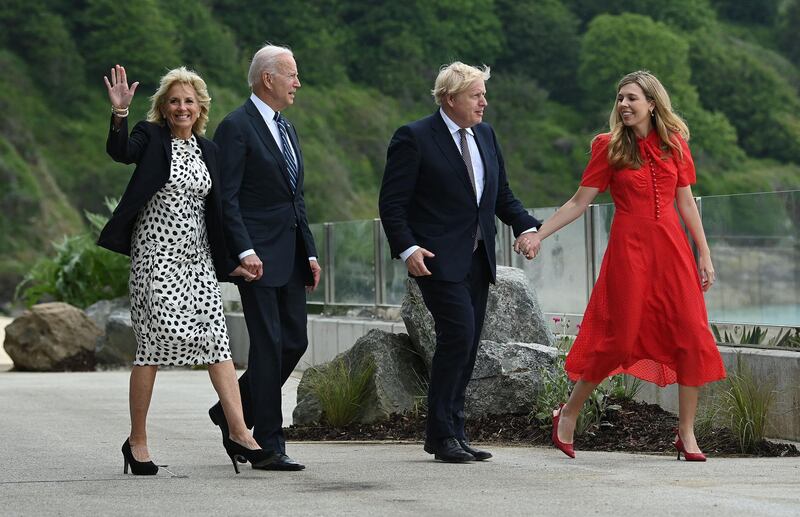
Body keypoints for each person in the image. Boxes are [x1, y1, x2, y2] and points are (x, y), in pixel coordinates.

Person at [519, 70, 726, 461]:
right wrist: (538, 234)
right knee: (619, 337)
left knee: (692, 334)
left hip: (673, 253)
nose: (624, 105)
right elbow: (579, 202)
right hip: (629, 254)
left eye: (632, 98)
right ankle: (568, 413)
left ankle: (686, 433)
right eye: (620, 98)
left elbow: (685, 204)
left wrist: (705, 253)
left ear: (652, 103)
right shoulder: (607, 146)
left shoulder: (676, 145)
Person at [98, 64, 276, 475]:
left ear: (200, 108)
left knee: (217, 340)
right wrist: (120, 114)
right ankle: (137, 440)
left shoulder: (207, 150)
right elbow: (120, 152)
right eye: (174, 101)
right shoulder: (151, 137)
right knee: (154, 343)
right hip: (155, 257)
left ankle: (238, 432)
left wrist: (234, 262)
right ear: (164, 106)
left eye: (189, 102)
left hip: (197, 261)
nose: (182, 108)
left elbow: (218, 216)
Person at [379, 62, 541, 463]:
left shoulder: (485, 135)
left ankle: (454, 431)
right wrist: (408, 248)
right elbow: (392, 204)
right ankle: (440, 435)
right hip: (435, 259)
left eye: (484, 94)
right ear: (450, 99)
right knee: (458, 335)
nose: (484, 102)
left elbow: (502, 196)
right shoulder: (414, 137)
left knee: (466, 345)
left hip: (478, 259)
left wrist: (527, 227)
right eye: (476, 95)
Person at [209, 45, 321, 472]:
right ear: (267, 78)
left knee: (295, 342)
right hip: (255, 259)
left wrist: (309, 251)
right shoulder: (236, 126)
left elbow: (297, 198)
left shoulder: (287, 128)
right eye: (291, 74)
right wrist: (244, 250)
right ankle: (268, 445)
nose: (297, 82)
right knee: (269, 347)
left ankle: (229, 411)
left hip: (291, 255)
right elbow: (226, 197)